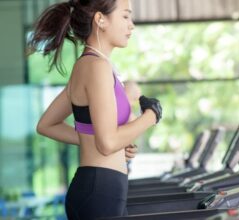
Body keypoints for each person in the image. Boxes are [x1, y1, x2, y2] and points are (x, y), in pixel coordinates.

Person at [28, 0, 162, 219]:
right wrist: (151, 116)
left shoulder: (91, 65)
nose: (131, 25)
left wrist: (105, 141)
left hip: (100, 189)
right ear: (100, 20)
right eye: (125, 16)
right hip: (101, 191)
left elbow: (46, 125)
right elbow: (107, 143)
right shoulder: (96, 67)